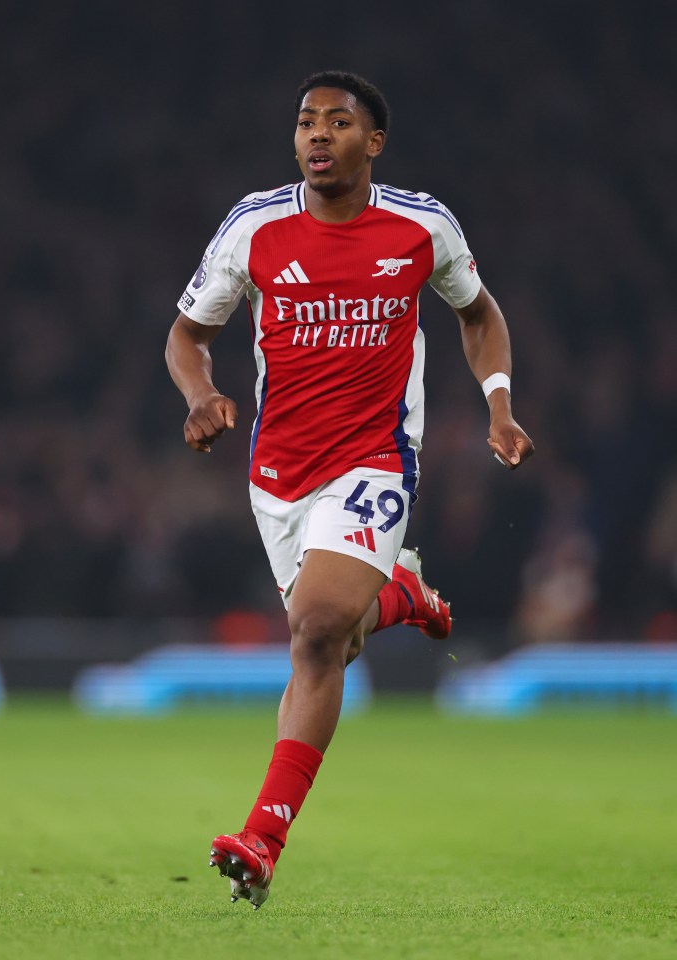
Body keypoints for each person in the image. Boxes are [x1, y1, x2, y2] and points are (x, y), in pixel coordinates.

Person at [165, 70, 534, 909]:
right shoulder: (254, 228)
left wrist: (499, 406)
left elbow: (479, 315)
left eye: (337, 122)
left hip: (373, 460)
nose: (316, 135)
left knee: (317, 628)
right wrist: (199, 395)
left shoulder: (420, 225)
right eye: (304, 122)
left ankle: (262, 838)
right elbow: (187, 337)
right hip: (277, 477)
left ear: (374, 142)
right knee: (332, 636)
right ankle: (401, 593)